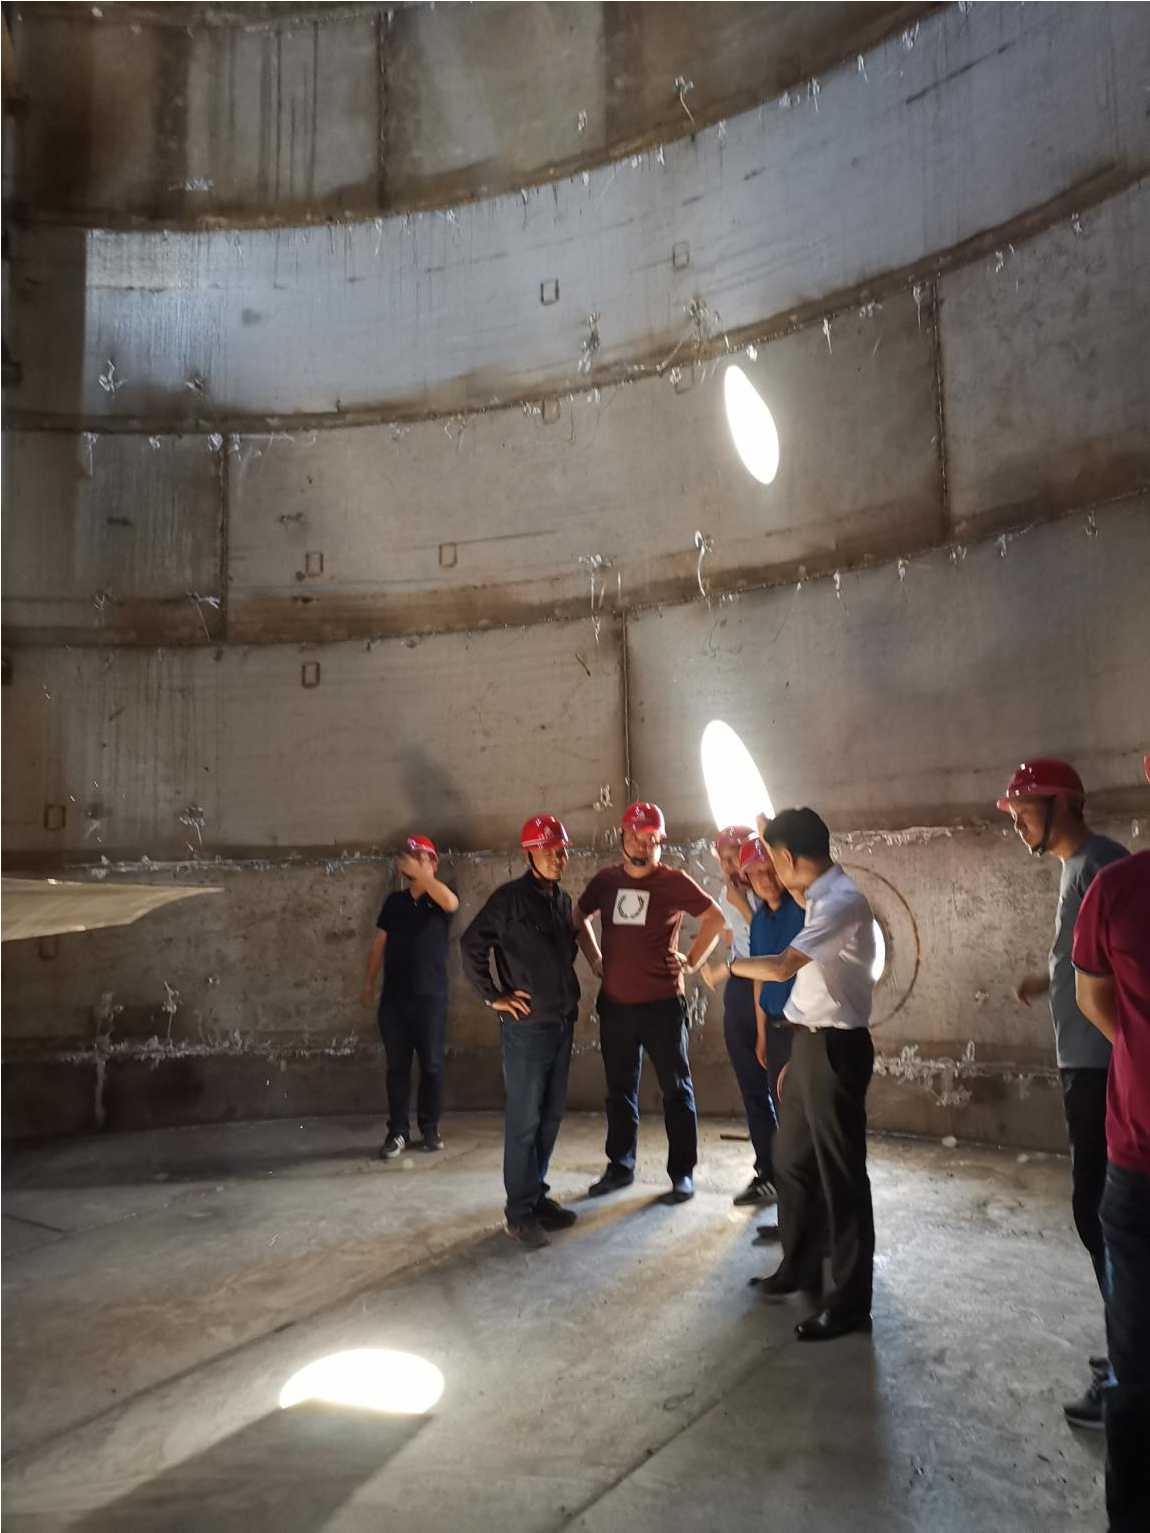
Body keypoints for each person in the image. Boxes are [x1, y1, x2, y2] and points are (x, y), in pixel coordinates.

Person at [998, 757, 1128, 1427]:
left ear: (1062, 804)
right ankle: (1128, 1345)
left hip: (1105, 1067)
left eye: (1025, 808)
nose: (1018, 821)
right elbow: (1091, 960)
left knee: (1105, 1214)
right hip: (1084, 1062)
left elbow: (1128, 967)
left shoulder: (1104, 864)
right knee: (1096, 1212)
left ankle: (1129, 1371)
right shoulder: (1075, 868)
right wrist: (1047, 979)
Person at [731, 807, 876, 1342]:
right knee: (790, 1159)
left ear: (789, 858)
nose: (769, 868)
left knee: (841, 1175)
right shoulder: (818, 896)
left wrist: (726, 967)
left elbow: (779, 967)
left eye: (773, 858)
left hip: (836, 1048)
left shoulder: (841, 902)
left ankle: (851, 1303)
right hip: (810, 1043)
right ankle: (799, 1263)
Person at [459, 813, 602, 1250]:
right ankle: (518, 1214)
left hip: (560, 1022)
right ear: (530, 854)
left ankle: (535, 1197)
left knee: (550, 1115)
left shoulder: (560, 900)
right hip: (527, 1029)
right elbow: (471, 943)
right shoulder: (509, 901)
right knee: (524, 1121)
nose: (559, 858)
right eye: (549, 851)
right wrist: (494, 996)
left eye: (562, 850)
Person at [577, 801, 726, 1205]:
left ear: (660, 841)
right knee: (619, 1089)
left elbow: (715, 918)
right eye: (635, 837)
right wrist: (594, 958)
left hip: (662, 1006)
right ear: (622, 838)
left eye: (651, 839)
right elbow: (578, 917)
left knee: (676, 1090)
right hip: (616, 1006)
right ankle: (620, 1165)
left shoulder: (672, 882)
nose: (642, 845)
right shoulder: (606, 882)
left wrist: (692, 961)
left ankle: (682, 1173)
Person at [1073, 835, 1150, 1531]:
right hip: (1138, 1166)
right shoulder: (1115, 887)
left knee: (1137, 1359)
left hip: (1138, 1157)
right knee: (1136, 1360)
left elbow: (1099, 1003)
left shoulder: (1116, 886)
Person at [361, 834, 459, 1159]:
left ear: (433, 863)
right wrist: (368, 983)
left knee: (432, 1065)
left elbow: (452, 904)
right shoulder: (394, 903)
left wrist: (423, 874)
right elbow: (379, 944)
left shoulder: (440, 899)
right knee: (397, 1068)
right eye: (410, 858)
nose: (413, 863)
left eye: (421, 857)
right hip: (395, 1001)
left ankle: (430, 1128)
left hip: (430, 999)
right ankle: (398, 1132)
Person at [700, 825, 773, 1207]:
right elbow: (737, 947)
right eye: (724, 859)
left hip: (769, 990)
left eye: (737, 857)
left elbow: (767, 951)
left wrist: (743, 903)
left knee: (778, 1090)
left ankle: (787, 1177)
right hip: (742, 991)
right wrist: (724, 970)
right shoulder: (726, 896)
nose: (732, 866)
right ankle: (769, 1172)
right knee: (752, 1089)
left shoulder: (768, 893)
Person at [738, 836, 805, 1231]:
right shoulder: (759, 921)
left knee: (804, 1130)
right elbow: (760, 980)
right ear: (747, 878)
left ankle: (810, 1225)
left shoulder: (803, 909)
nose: (765, 879)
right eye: (756, 873)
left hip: (805, 1032)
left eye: (770, 870)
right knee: (784, 1129)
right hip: (776, 1034)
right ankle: (792, 1221)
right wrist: (762, 1034)